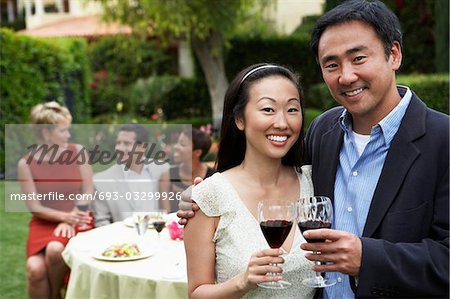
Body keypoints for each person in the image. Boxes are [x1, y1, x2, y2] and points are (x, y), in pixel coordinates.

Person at [179, 1, 449, 298]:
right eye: (331, 65)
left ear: (394, 54)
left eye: (358, 58)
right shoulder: (324, 131)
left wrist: (368, 259)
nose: (345, 76)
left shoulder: (442, 140)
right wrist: (201, 196)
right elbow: (270, 175)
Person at [184, 63, 315, 298]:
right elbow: (196, 293)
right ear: (239, 119)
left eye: (293, 110)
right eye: (268, 109)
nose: (283, 123)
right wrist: (242, 282)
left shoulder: (313, 181)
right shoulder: (209, 196)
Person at [18, 101, 94, 299]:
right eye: (63, 131)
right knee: (34, 269)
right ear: (46, 133)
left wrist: (73, 217)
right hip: (44, 221)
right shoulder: (26, 163)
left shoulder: (78, 152)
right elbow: (34, 207)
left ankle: (54, 296)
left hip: (79, 215)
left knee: (55, 250)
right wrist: (63, 217)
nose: (68, 135)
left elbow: (88, 190)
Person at [93, 123, 170, 227]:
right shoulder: (101, 181)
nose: (119, 148)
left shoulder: (162, 170)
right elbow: (102, 222)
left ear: (143, 147)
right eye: (118, 143)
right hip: (123, 240)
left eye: (127, 143)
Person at [159, 127, 215, 212]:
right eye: (177, 143)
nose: (176, 147)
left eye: (182, 144)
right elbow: (165, 215)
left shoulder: (213, 178)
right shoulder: (166, 176)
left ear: (197, 152)